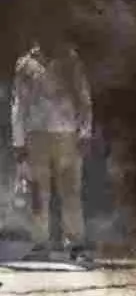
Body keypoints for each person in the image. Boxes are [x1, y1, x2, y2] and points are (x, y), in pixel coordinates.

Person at [11, 39, 92, 261]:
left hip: (67, 134)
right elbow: (19, 103)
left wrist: (85, 132)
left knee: (70, 191)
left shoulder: (71, 61)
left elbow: (84, 98)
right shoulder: (26, 64)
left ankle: (75, 244)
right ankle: (40, 244)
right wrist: (18, 141)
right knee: (38, 192)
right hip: (36, 134)